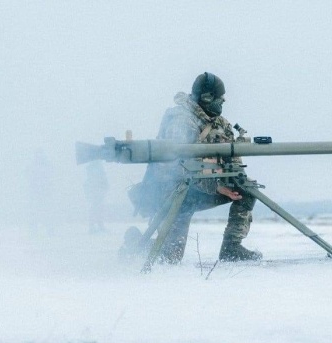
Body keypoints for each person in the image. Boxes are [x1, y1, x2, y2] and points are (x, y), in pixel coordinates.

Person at [135, 72, 261, 263]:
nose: (223, 100)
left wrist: (235, 180)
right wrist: (217, 187)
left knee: (247, 190)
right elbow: (176, 168)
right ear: (206, 97)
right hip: (173, 192)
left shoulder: (220, 124)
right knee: (170, 258)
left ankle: (232, 248)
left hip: (201, 189)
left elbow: (233, 160)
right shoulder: (181, 121)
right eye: (219, 97)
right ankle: (135, 244)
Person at [83, 160, 109, 233]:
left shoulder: (92, 168)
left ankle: (95, 225)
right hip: (96, 192)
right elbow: (103, 180)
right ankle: (96, 226)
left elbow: (88, 182)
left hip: (96, 192)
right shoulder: (96, 169)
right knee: (97, 208)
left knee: (96, 208)